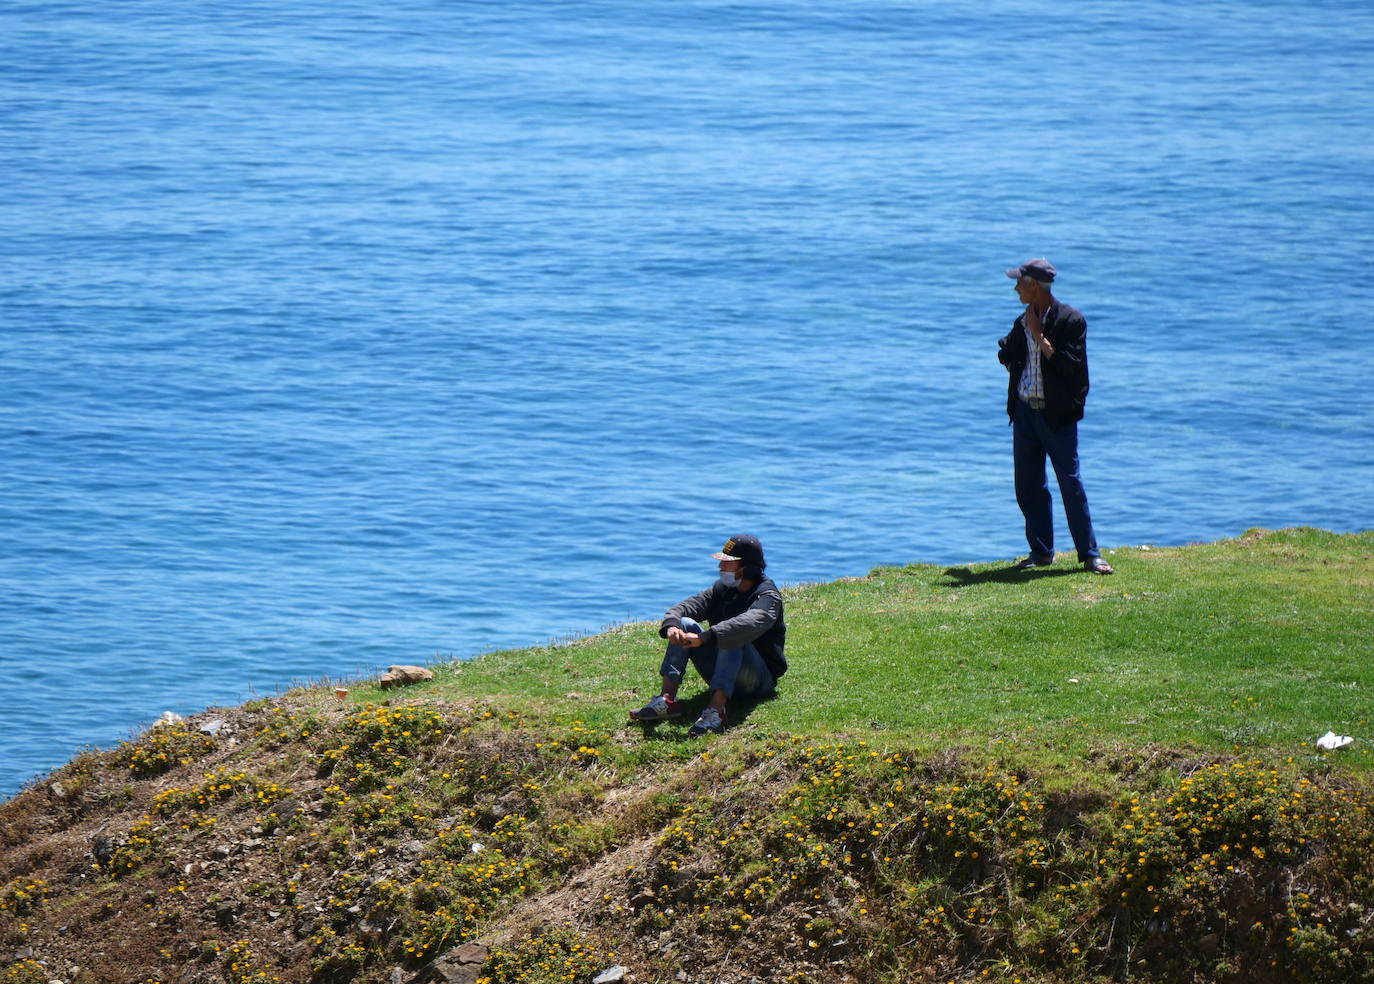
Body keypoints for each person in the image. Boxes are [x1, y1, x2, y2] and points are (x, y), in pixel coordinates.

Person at [997, 258, 1113, 575]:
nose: (1016, 287)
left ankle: (1090, 554)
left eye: (1020, 282)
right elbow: (1007, 353)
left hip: (1056, 416)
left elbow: (1071, 370)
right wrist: (1011, 349)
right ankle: (1041, 552)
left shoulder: (1070, 321)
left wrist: (1039, 338)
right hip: (1025, 413)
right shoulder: (1023, 320)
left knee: (1070, 484)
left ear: (1034, 286)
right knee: (1028, 486)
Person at [629, 534, 787, 736]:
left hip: (758, 681)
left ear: (748, 568)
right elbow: (686, 608)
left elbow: (748, 623)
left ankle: (716, 711)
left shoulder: (767, 597)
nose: (721, 566)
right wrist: (671, 626)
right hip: (725, 669)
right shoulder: (722, 589)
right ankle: (667, 700)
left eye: (728, 563)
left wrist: (705, 638)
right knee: (685, 623)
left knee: (733, 635)